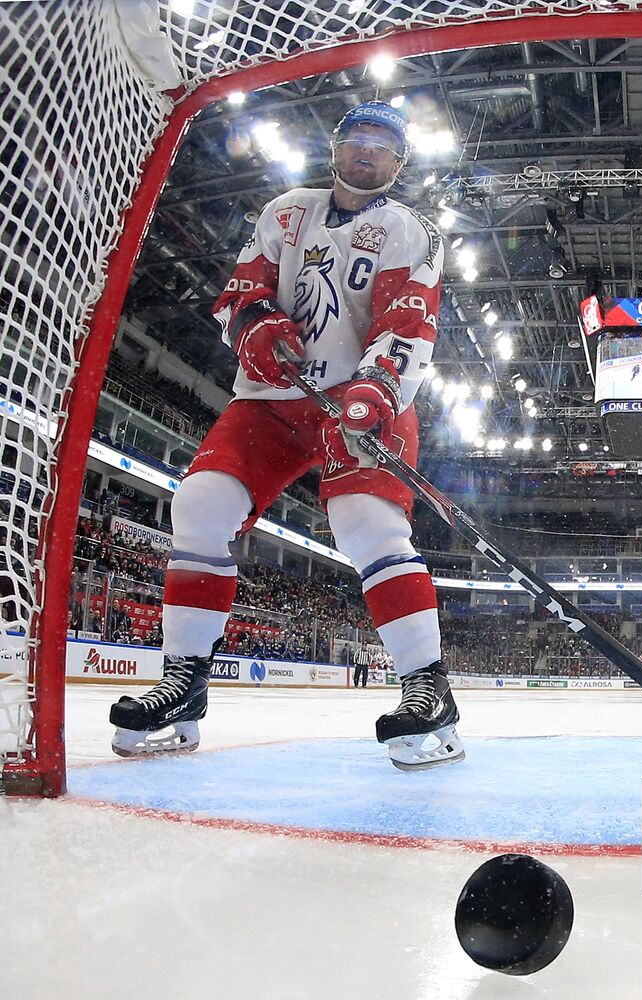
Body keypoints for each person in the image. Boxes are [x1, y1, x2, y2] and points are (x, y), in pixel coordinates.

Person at [108, 100, 461, 770]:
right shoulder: (287, 211)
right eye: (356, 138)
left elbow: (409, 320)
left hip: (360, 401)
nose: (367, 151)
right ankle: (184, 683)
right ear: (335, 145)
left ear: (400, 162)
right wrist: (255, 325)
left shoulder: (407, 229)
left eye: (382, 145)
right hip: (273, 400)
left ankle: (428, 686)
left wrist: (376, 385)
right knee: (200, 506)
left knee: (366, 526)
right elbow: (240, 294)